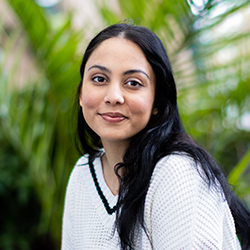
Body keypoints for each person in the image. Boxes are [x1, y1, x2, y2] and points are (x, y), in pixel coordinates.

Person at [61, 23, 250, 250]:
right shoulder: (83, 172)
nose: (113, 97)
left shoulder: (177, 172)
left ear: (157, 103)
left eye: (133, 83)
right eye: (99, 79)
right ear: (81, 93)